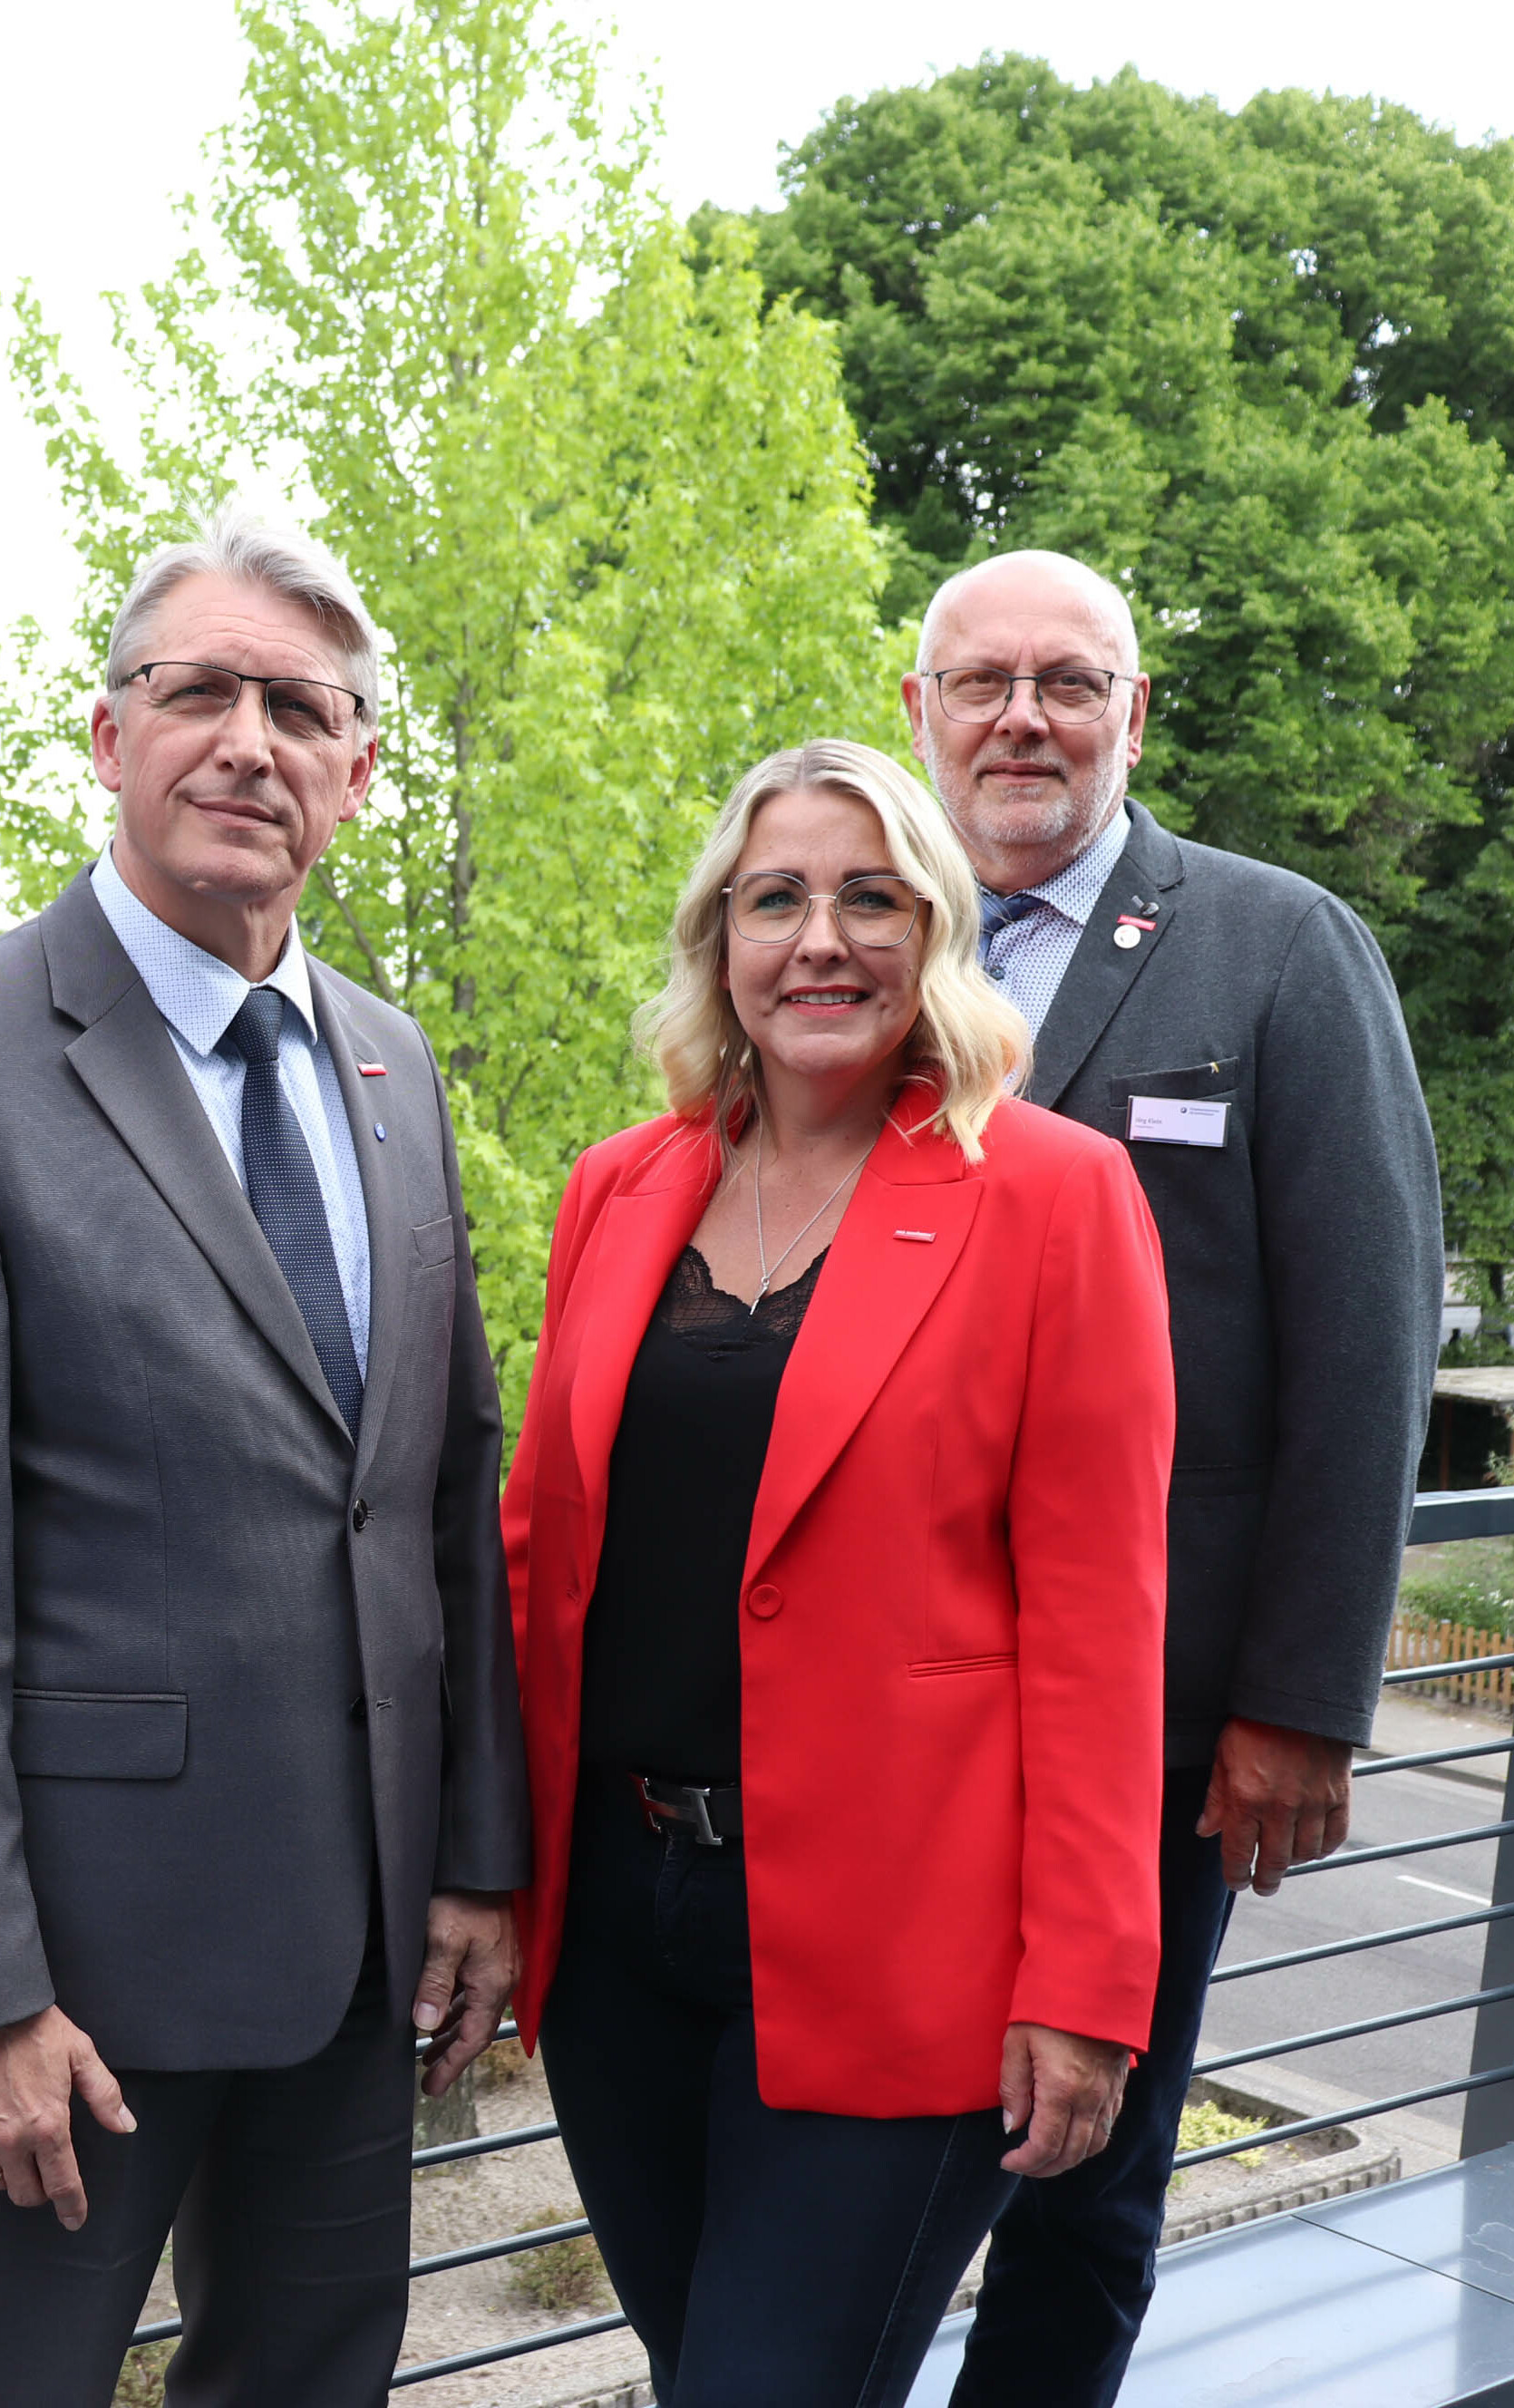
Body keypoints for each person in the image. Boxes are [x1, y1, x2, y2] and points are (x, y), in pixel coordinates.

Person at [0, 519, 529, 2408]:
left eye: (299, 707)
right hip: (75, 1973)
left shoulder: (387, 1062)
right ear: (105, 735)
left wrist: (471, 1858)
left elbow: (440, 1490)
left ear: (358, 774)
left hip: (364, 1944)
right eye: (196, 689)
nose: (246, 740)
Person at [500, 738, 1176, 2408]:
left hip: (903, 1938)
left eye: (872, 897)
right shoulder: (620, 1184)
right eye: (775, 898)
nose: (822, 938)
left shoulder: (1053, 1193)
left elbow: (1103, 1619)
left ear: (937, 932)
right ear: (717, 941)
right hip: (619, 1936)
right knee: (701, 2369)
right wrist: (483, 1872)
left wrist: (1086, 1985)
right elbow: (542, 1548)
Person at [917, 550, 1444, 2406]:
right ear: (918, 709)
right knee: (870, 2143)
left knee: (1085, 2162)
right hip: (884, 1700)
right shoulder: (845, 946)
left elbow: (1365, 1345)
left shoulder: (1274, 947)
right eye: (979, 679)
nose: (1020, 714)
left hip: (1148, 1715)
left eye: (1068, 679)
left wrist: (1300, 1700)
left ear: (1130, 715)